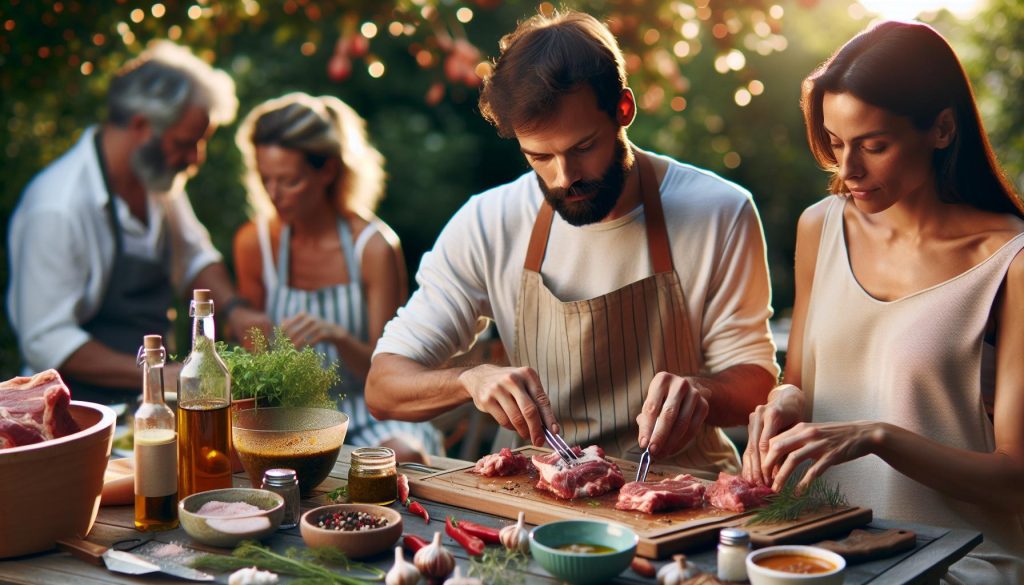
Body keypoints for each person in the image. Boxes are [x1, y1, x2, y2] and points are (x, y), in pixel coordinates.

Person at [366, 10, 778, 474]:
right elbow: (384, 388)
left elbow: (757, 385)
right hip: (538, 488)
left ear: (623, 110)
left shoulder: (718, 210)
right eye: (539, 156)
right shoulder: (487, 222)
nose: (565, 178)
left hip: (681, 487)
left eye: (583, 147)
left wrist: (700, 393)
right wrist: (470, 379)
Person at [741, 21, 1024, 584]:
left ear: (941, 129)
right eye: (836, 144)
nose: (848, 171)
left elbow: (1015, 478)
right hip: (820, 545)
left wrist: (877, 435)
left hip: (956, 562)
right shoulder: (819, 227)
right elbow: (798, 380)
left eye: (874, 145)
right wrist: (783, 406)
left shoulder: (1009, 260)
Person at [6, 41, 270, 404]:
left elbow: (195, 256)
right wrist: (157, 374)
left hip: (150, 402)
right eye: (186, 142)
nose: (194, 158)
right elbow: (47, 339)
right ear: (142, 126)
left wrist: (235, 310)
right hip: (78, 411)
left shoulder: (158, 181)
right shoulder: (57, 208)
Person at [232, 93, 443, 463]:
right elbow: (253, 349)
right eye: (266, 180)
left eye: (290, 181)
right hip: (290, 418)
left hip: (370, 409)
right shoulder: (255, 243)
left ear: (328, 171)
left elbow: (388, 374)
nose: (274, 195)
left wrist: (339, 338)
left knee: (399, 457)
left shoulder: (373, 247)